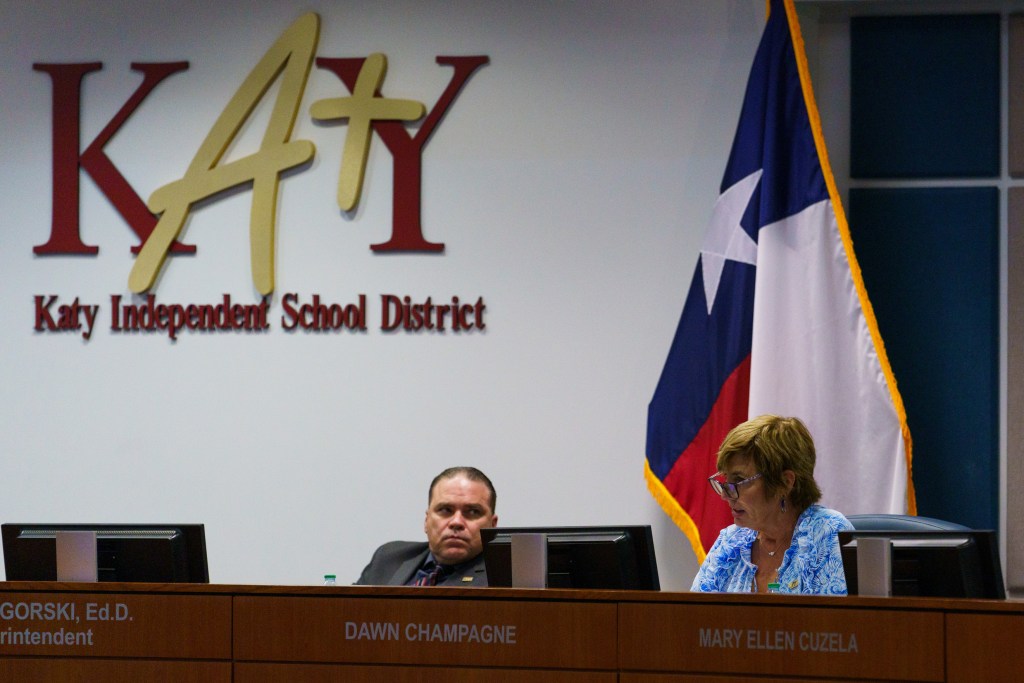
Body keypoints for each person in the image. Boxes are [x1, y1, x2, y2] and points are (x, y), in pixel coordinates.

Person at [691, 415, 853, 595]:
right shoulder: (730, 542)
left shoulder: (828, 533)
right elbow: (693, 611)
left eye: (738, 481)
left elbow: (836, 613)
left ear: (785, 482)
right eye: (726, 481)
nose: (725, 495)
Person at [355, 466, 498, 586]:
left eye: (473, 512)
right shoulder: (388, 558)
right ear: (426, 520)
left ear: (493, 525)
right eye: (445, 510)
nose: (456, 522)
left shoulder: (502, 578)